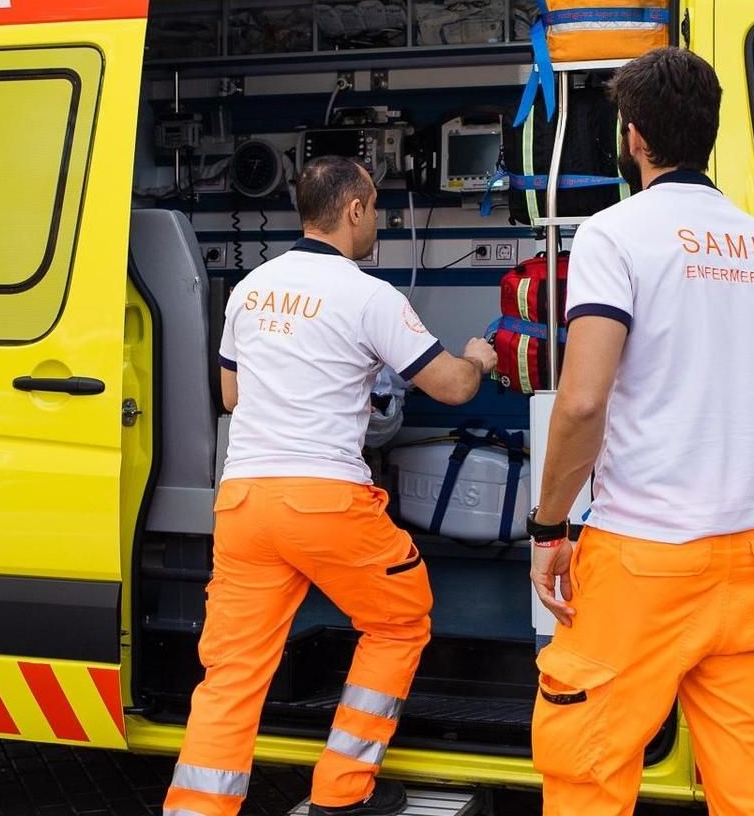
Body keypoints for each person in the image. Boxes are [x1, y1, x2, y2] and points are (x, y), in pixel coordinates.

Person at [526, 48, 754, 815]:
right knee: (748, 792)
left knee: (590, 779)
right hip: (748, 567)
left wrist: (549, 528)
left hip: (642, 562)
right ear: (710, 131)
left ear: (633, 136)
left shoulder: (615, 236)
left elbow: (579, 403)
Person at [163, 156, 501, 816]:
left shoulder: (252, 289)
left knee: (232, 673)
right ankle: (342, 794)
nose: (375, 220)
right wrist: (479, 359)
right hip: (323, 501)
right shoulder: (370, 296)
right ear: (354, 210)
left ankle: (195, 809)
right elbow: (453, 387)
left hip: (244, 503)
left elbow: (232, 393)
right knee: (400, 621)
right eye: (373, 209)